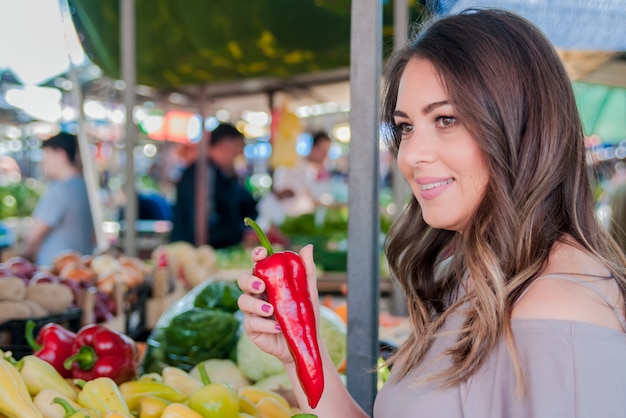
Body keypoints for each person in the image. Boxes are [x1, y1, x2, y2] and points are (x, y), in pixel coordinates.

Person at [237, 8, 626, 417]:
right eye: (406, 127)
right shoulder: (485, 279)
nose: (412, 156)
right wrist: (302, 347)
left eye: (446, 119)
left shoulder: (561, 310)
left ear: (522, 129)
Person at [170, 123, 258, 249]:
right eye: (236, 151)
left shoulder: (216, 173)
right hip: (195, 253)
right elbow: (203, 224)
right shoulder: (203, 173)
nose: (236, 157)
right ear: (225, 146)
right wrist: (239, 235)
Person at [22, 132, 95, 267]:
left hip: (54, 269)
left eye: (47, 155)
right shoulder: (86, 187)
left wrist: (25, 254)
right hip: (80, 266)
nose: (43, 163)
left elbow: (33, 235)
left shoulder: (61, 189)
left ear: (61, 155)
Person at [270, 132, 333, 218]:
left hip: (298, 218)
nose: (325, 155)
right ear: (313, 148)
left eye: (327, 151)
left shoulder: (311, 169)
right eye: (323, 150)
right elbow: (277, 192)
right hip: (282, 218)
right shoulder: (293, 164)